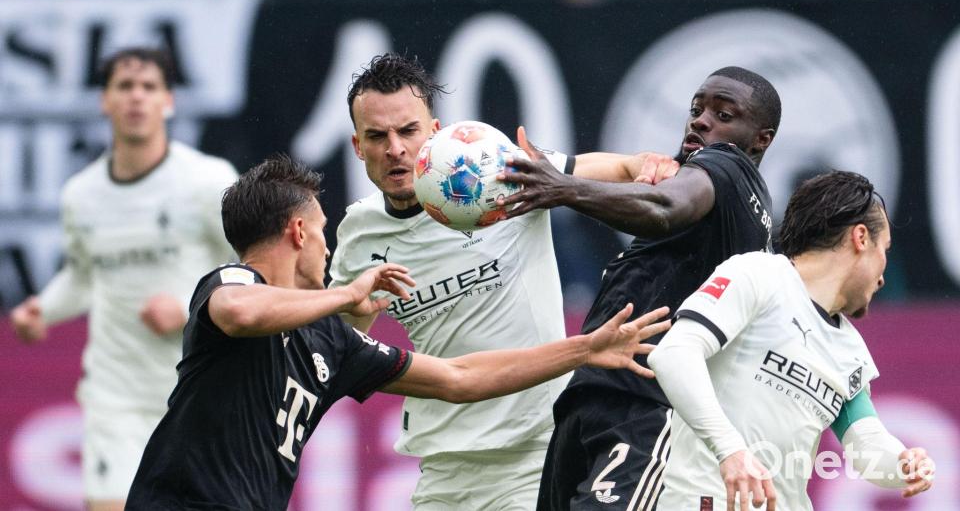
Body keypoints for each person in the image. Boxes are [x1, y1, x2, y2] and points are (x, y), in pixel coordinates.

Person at [124, 155, 671, 509]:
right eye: (320, 232)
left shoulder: (329, 341)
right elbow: (241, 314)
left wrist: (586, 348)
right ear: (296, 232)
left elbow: (459, 378)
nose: (327, 247)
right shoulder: (229, 283)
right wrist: (345, 296)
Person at [330, 53, 677, 510]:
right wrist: (356, 313)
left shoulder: (498, 176)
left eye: (407, 131)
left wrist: (644, 167)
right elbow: (344, 351)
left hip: (536, 452)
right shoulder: (359, 235)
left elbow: (611, 169)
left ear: (434, 133)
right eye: (377, 136)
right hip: (444, 466)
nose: (395, 148)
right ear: (358, 147)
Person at [497, 66, 782, 510]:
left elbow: (666, 207)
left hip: (644, 407)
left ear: (760, 139)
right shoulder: (735, 210)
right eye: (696, 109)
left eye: (723, 114)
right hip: (595, 398)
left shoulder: (727, 165)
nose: (701, 121)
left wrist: (563, 189)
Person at [8, 47, 237, 510]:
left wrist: (192, 308)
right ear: (104, 101)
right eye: (124, 87)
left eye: (149, 87)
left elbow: (258, 269)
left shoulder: (207, 181)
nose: (137, 97)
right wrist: (43, 309)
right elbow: (82, 274)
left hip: (197, 395)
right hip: (117, 397)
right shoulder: (81, 194)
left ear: (168, 101)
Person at [648, 171, 935, 510]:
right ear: (860, 237)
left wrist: (903, 464)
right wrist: (731, 450)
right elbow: (673, 354)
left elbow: (867, 446)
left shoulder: (850, 350)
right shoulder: (758, 275)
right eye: (883, 248)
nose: (883, 275)